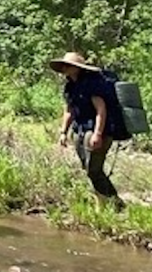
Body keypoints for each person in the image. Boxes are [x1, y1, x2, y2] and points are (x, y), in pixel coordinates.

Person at [50, 50, 126, 210]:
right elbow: (69, 110)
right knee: (88, 168)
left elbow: (101, 110)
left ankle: (115, 204)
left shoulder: (92, 83)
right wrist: (63, 132)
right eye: (64, 65)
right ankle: (106, 202)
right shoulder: (70, 86)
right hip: (79, 129)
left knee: (94, 170)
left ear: (77, 68)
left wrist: (98, 134)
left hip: (98, 130)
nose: (64, 68)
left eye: (68, 65)